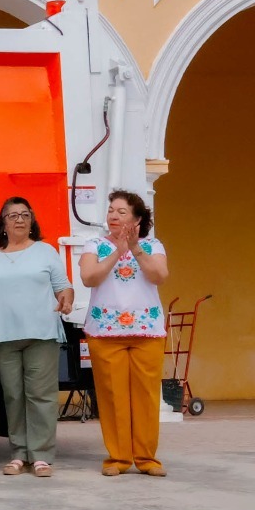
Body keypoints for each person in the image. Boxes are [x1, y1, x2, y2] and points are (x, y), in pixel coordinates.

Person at [80, 190, 171, 477]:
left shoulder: (153, 245)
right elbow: (88, 277)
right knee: (112, 396)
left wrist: (135, 249)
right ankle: (118, 458)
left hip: (147, 330)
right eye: (111, 211)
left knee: (146, 396)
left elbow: (159, 276)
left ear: (138, 218)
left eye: (121, 211)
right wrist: (118, 251)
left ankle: (146, 458)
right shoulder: (94, 244)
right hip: (105, 331)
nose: (113, 216)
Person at [0, 197, 74, 479]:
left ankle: (42, 456)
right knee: (13, 396)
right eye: (12, 215)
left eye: (25, 214)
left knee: (41, 396)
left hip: (41, 333)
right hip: (3, 337)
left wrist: (66, 301)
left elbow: (63, 287)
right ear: (3, 223)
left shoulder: (45, 251)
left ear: (32, 220)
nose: (19, 219)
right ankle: (18, 454)